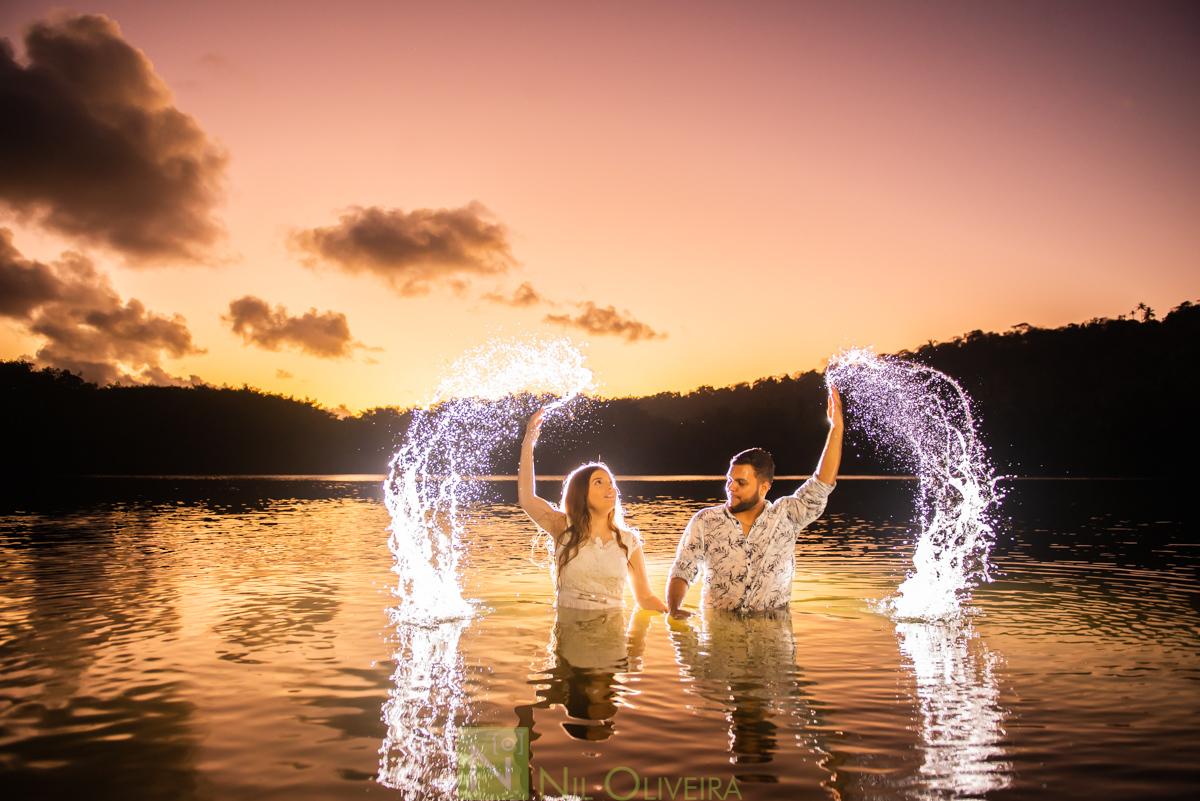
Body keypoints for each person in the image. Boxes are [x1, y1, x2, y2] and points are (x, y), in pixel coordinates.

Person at [666, 383, 844, 616]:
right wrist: (674, 609)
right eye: (730, 480)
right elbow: (682, 571)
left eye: (741, 483)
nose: (731, 487)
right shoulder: (705, 521)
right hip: (720, 638)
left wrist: (836, 427)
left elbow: (821, 484)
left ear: (764, 487)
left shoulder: (787, 516)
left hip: (773, 636)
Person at [519, 408, 669, 612]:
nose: (610, 487)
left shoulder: (628, 541)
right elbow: (527, 499)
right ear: (581, 494)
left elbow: (645, 598)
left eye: (610, 482)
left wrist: (676, 615)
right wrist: (529, 441)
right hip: (570, 635)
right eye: (599, 482)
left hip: (612, 636)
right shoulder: (564, 527)